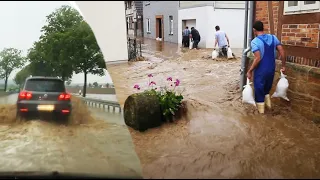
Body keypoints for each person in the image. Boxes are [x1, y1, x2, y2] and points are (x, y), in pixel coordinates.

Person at [246, 21, 285, 114]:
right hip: (271, 69)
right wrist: (283, 66)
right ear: (263, 28)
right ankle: (269, 108)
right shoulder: (273, 37)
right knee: (267, 90)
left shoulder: (254, 42)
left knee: (259, 92)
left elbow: (257, 58)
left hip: (261, 71)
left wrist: (250, 71)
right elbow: (282, 52)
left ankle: (261, 117)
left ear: (254, 30)